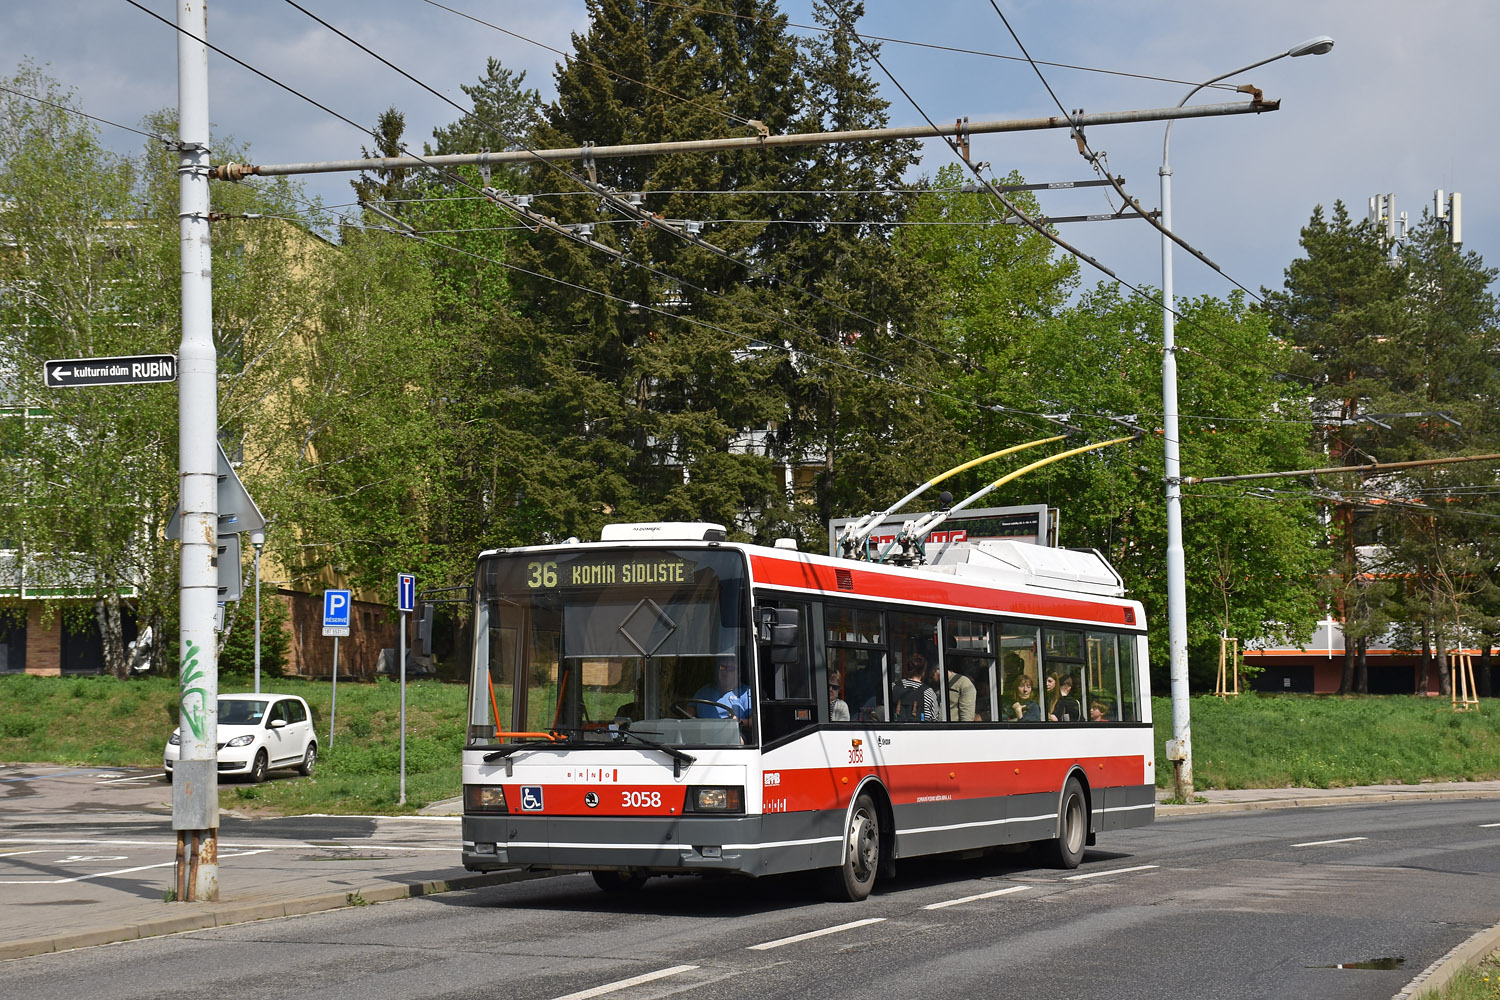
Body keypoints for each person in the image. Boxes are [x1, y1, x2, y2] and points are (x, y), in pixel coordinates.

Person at [891, 653, 940, 722]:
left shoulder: (893, 687)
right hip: (920, 731)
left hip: (896, 730)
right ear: (923, 671)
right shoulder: (928, 692)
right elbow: (934, 718)